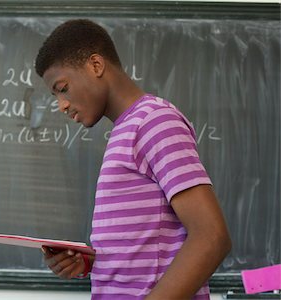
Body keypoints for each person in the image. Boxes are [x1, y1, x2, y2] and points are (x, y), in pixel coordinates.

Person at [34, 19, 231, 299]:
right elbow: (146, 244)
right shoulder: (125, 131)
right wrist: (87, 262)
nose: (61, 105)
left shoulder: (155, 121)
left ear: (96, 65)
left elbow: (211, 237)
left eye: (62, 88)